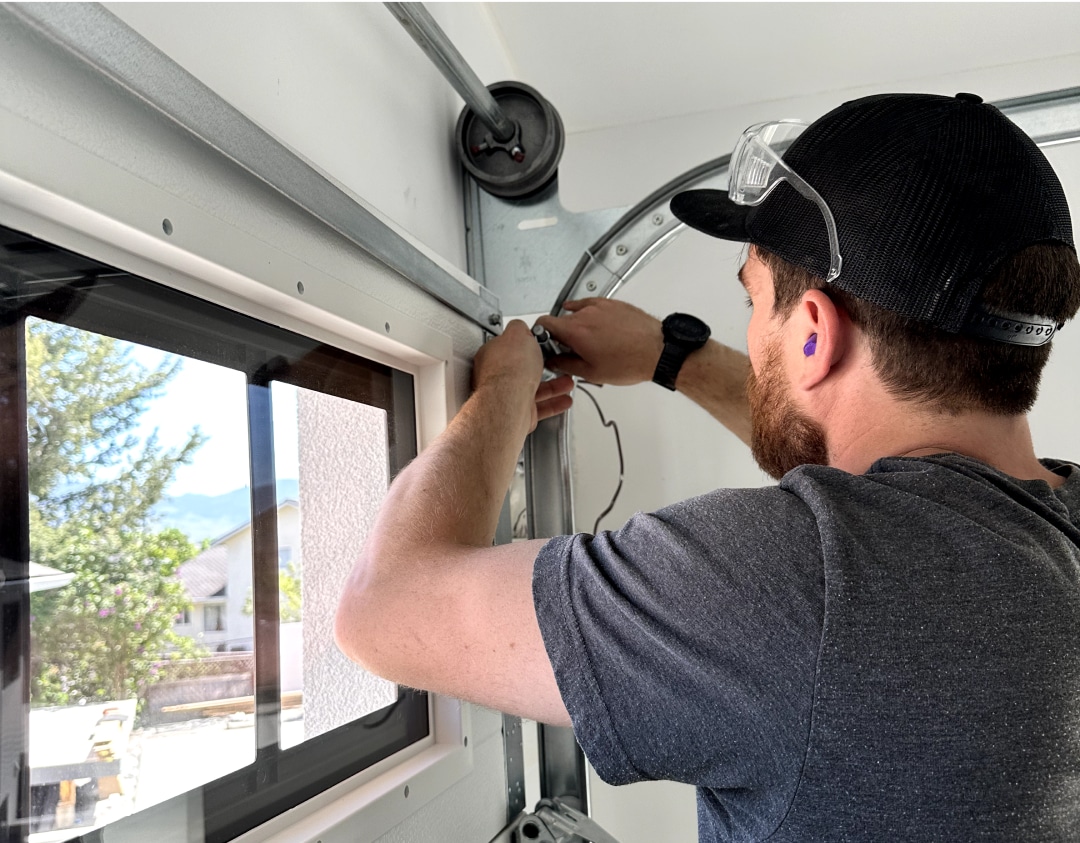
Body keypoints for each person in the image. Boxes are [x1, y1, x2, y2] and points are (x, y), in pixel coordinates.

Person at [335, 93, 1080, 841]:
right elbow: (850, 477)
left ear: (814, 333)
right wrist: (673, 357)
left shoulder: (797, 586)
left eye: (756, 301)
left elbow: (382, 608)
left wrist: (502, 388)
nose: (755, 334)